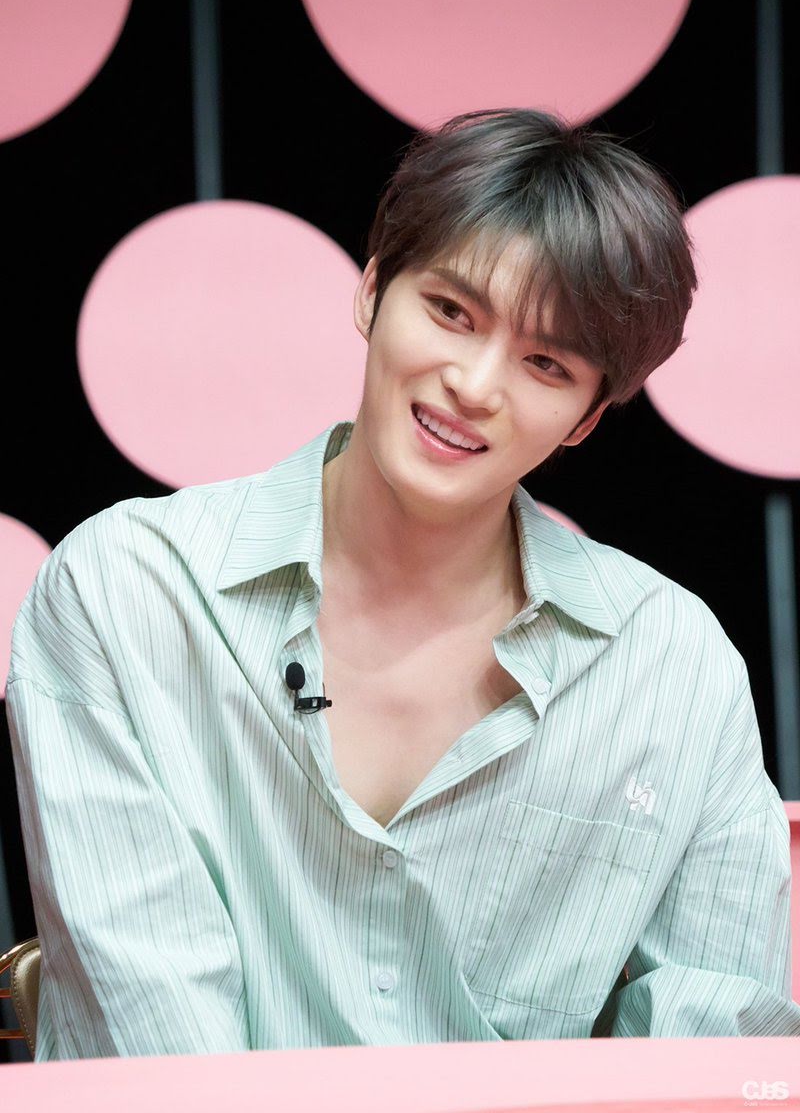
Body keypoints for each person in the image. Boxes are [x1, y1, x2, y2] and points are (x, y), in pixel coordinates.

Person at [6, 108, 799, 1059]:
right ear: (374, 289)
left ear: (588, 418)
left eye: (545, 363)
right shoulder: (127, 593)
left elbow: (712, 1052)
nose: (475, 384)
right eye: (452, 312)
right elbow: (156, 1041)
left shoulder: (672, 666)